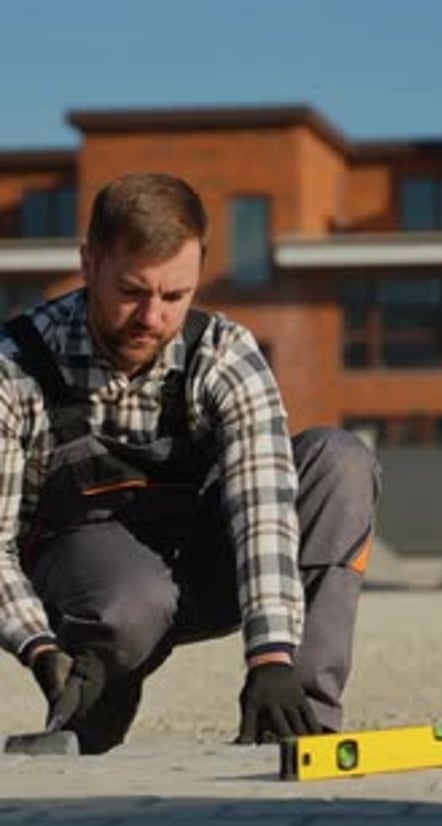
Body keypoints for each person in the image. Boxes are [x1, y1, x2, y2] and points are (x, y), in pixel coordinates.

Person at [0, 172, 381, 754]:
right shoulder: (15, 368)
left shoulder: (224, 354)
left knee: (339, 461)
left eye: (174, 296)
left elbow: (262, 506)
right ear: (89, 264)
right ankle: (102, 687)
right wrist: (40, 649)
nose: (151, 317)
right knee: (133, 603)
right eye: (132, 291)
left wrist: (272, 656)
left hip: (206, 567)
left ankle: (297, 719)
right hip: (100, 593)